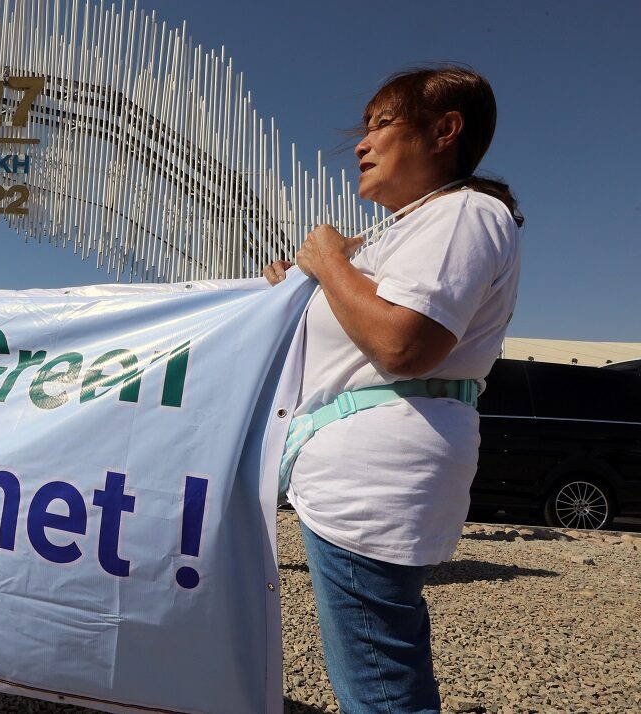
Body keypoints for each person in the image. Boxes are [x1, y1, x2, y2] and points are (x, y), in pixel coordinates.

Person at [263, 66, 522, 713]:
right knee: (382, 657)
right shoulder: (407, 234)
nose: (361, 143)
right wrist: (302, 289)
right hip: (367, 463)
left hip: (372, 472)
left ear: (444, 130)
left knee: (376, 681)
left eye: (382, 124)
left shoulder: (462, 212)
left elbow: (405, 343)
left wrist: (326, 263)